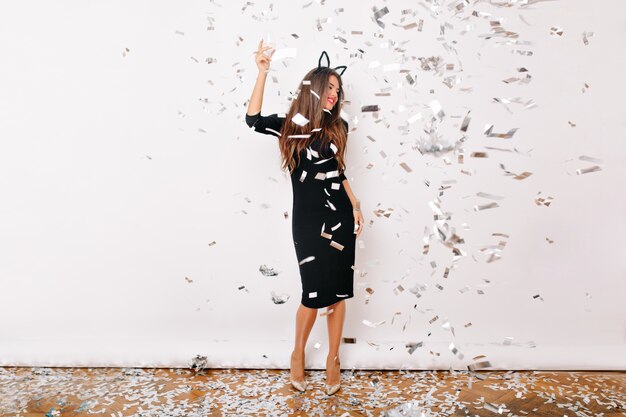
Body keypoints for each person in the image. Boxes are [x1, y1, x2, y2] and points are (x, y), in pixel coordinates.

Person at [244, 39, 364, 395]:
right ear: (314, 87)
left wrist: (356, 205)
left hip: (340, 216)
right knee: (313, 294)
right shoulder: (290, 126)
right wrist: (263, 72)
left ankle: (333, 359)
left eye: (337, 90)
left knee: (339, 293)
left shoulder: (339, 127)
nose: (333, 94)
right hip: (309, 222)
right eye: (329, 87)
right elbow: (251, 119)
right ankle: (297, 353)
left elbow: (338, 172)